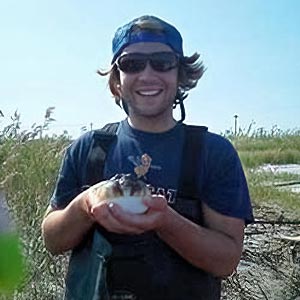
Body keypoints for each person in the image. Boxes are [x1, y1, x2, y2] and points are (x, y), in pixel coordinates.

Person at [42, 15, 253, 300]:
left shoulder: (213, 153)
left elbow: (226, 261)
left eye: (163, 62)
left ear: (180, 74)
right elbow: (52, 240)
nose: (148, 74)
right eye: (132, 64)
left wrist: (165, 221)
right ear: (117, 80)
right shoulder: (87, 148)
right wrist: (84, 205)